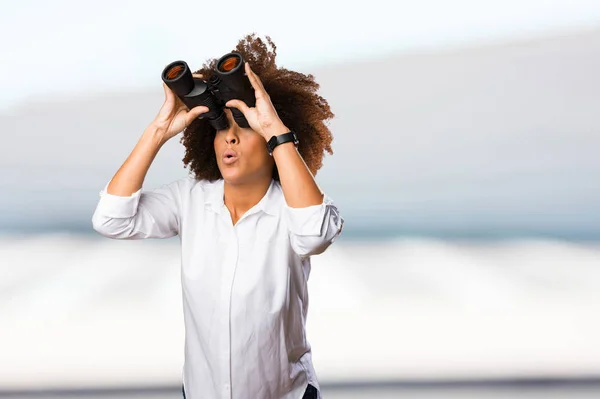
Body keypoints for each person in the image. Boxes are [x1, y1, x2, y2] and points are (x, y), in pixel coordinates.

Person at [92, 34, 343, 399]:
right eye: (222, 126)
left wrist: (273, 128)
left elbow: (315, 234)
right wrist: (158, 131)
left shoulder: (298, 207)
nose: (231, 139)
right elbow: (111, 219)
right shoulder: (189, 200)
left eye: (245, 127)